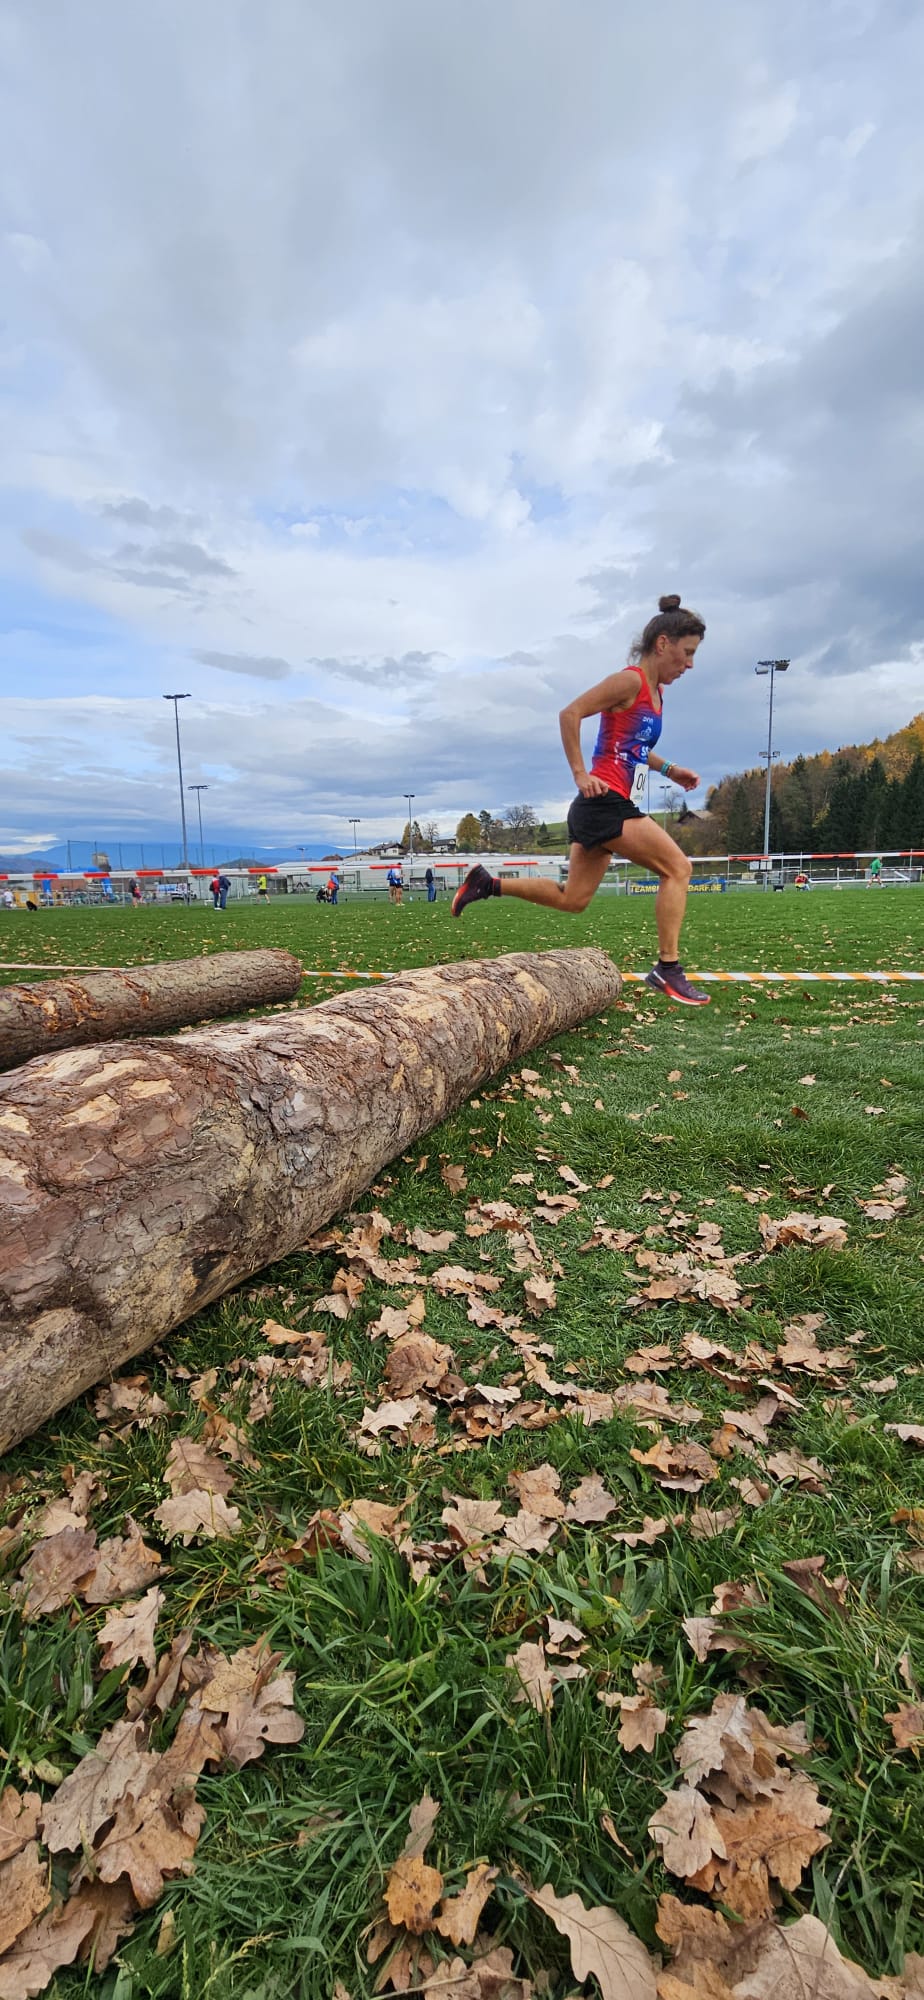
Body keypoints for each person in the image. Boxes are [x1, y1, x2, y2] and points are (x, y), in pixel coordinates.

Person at [452, 592, 709, 1005]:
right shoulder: (630, 681)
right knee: (678, 867)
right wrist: (580, 774)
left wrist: (669, 770)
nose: (690, 664)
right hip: (603, 800)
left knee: (573, 900)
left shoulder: (657, 694)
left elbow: (634, 747)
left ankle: (488, 884)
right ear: (663, 644)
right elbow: (569, 714)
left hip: (603, 807)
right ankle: (668, 968)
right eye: (687, 653)